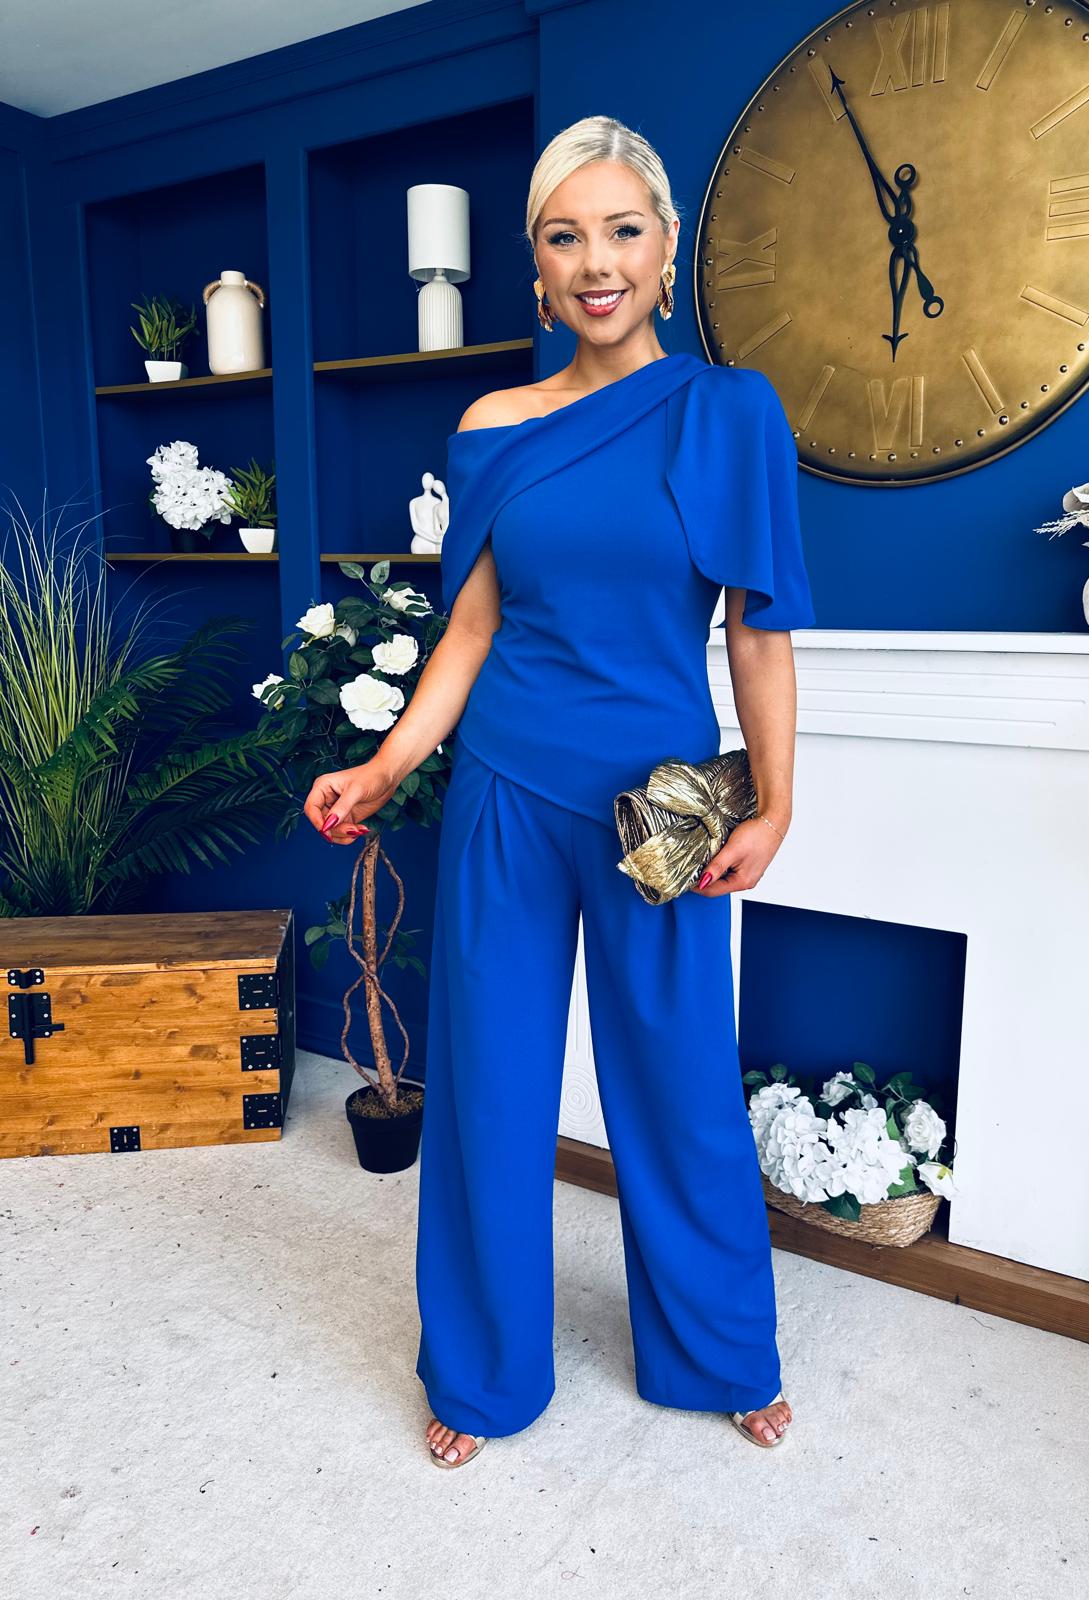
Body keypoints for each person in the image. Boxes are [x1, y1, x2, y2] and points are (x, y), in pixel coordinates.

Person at [303, 114, 816, 1469]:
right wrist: (386, 764)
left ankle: (719, 1352)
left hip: (665, 809)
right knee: (489, 1087)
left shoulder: (730, 413)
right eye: (564, 236)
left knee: (680, 1084)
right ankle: (481, 1371)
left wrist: (774, 804)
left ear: (665, 247)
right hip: (506, 793)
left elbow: (759, 632)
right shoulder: (494, 427)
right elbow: (470, 630)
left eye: (622, 231)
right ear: (535, 267)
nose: (597, 262)